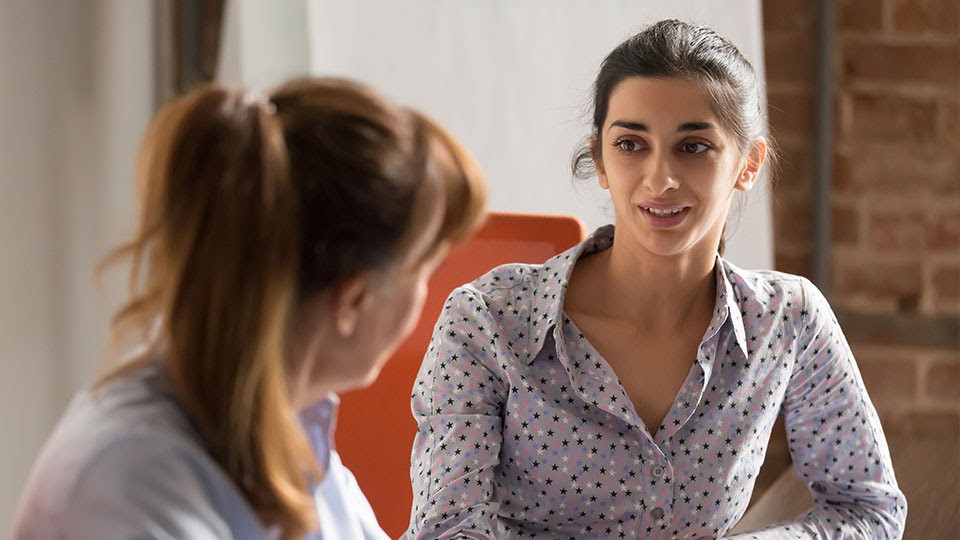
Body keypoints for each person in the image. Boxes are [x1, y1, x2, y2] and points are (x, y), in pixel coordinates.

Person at [405, 19, 906, 539]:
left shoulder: (788, 319)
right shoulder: (487, 320)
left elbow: (867, 510)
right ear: (599, 158)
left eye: (693, 147)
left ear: (748, 163)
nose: (661, 179)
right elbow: (446, 531)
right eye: (630, 144)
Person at [13, 76, 486, 539]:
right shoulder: (127, 483)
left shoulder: (295, 434)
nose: (429, 295)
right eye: (423, 269)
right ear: (353, 299)